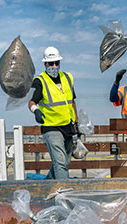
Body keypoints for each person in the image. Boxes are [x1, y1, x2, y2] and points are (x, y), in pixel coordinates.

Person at [28, 46, 78, 179]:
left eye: (57, 63)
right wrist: (36, 111)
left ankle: (47, 185)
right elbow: (31, 101)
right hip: (51, 127)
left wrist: (77, 123)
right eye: (51, 63)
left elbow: (72, 102)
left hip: (67, 126)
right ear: (45, 63)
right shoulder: (39, 81)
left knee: (64, 162)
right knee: (60, 163)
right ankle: (63, 194)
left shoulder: (68, 78)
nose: (54, 66)